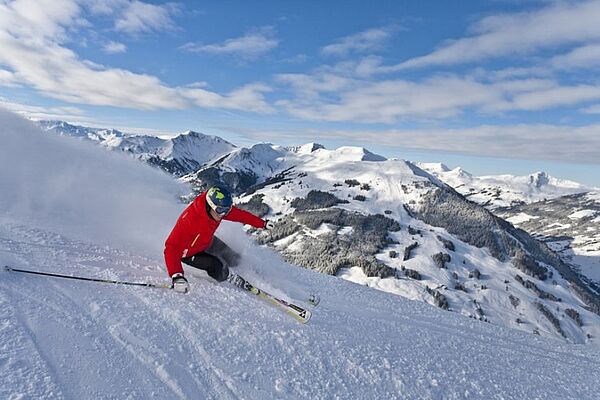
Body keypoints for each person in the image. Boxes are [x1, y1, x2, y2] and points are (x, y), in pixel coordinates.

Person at [164, 185, 273, 293]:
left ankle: (255, 276)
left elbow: (241, 215)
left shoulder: (218, 210)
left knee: (233, 257)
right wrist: (177, 275)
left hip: (206, 242)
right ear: (210, 205)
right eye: (221, 210)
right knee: (215, 265)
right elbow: (170, 247)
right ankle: (228, 278)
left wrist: (262, 224)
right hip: (189, 253)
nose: (223, 214)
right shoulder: (189, 220)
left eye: (226, 210)